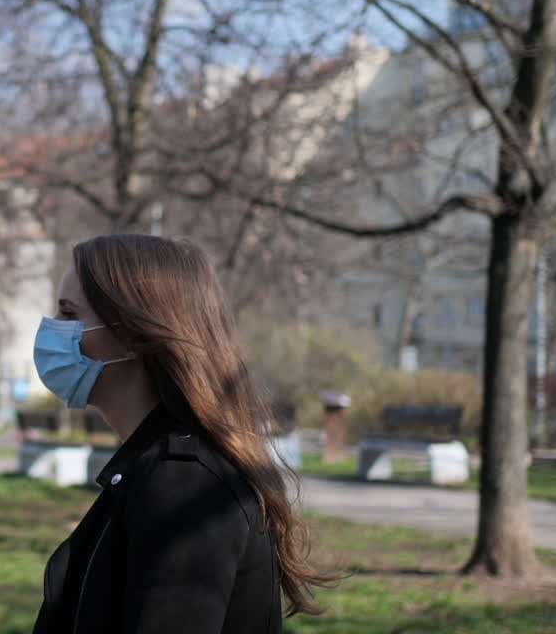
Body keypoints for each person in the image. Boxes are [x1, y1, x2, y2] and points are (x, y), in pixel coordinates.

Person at [31, 234, 333, 634]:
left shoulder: (184, 484)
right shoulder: (151, 470)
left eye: (69, 314)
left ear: (134, 334)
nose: (53, 330)